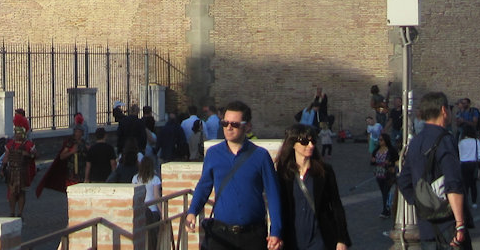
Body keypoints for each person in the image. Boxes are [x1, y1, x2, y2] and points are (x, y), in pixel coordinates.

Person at [184, 101, 284, 250]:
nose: (229, 127)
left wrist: (276, 231)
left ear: (247, 126)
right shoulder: (213, 154)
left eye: (235, 124)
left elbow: (273, 195)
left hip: (253, 235)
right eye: (225, 123)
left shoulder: (261, 156)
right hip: (221, 234)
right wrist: (192, 211)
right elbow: (204, 187)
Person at [395, 91, 471, 248]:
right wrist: (460, 223)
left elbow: (403, 180)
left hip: (426, 226)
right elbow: (453, 183)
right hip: (448, 225)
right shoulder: (445, 139)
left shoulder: (416, 141)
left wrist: (421, 202)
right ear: (444, 110)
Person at [273, 124, 351, 250]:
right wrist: (276, 234)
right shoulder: (284, 173)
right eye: (305, 141)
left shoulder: (325, 171)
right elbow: (279, 206)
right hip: (293, 238)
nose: (310, 145)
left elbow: (336, 205)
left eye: (313, 141)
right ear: (293, 144)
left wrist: (342, 238)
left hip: (320, 238)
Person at [3, 113, 37, 217]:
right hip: (12, 170)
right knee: (12, 192)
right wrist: (2, 168)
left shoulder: (28, 145)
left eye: (19, 133)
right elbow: (6, 157)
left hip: (23, 171)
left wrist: (28, 154)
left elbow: (35, 155)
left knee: (21, 192)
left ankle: (20, 213)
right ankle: (12, 212)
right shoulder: (10, 144)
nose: (17, 135)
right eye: (16, 133)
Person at [138, 155, 165, 250]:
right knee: (153, 236)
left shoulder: (135, 178)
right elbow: (157, 196)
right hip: (153, 210)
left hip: (140, 211)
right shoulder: (155, 179)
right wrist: (162, 212)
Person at [371, 129, 398, 218]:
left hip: (388, 174)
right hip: (379, 173)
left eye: (381, 140)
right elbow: (372, 161)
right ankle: (387, 207)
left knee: (386, 191)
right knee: (383, 192)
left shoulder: (391, 150)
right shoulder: (376, 150)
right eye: (379, 140)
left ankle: (385, 210)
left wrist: (391, 164)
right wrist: (373, 161)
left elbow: (396, 160)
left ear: (386, 140)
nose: (380, 141)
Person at [456, 125, 480, 208]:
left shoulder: (461, 142)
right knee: (473, 184)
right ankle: (474, 202)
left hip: (463, 165)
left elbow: (458, 154)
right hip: (473, 164)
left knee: (465, 184)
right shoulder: (476, 141)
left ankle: (464, 202)